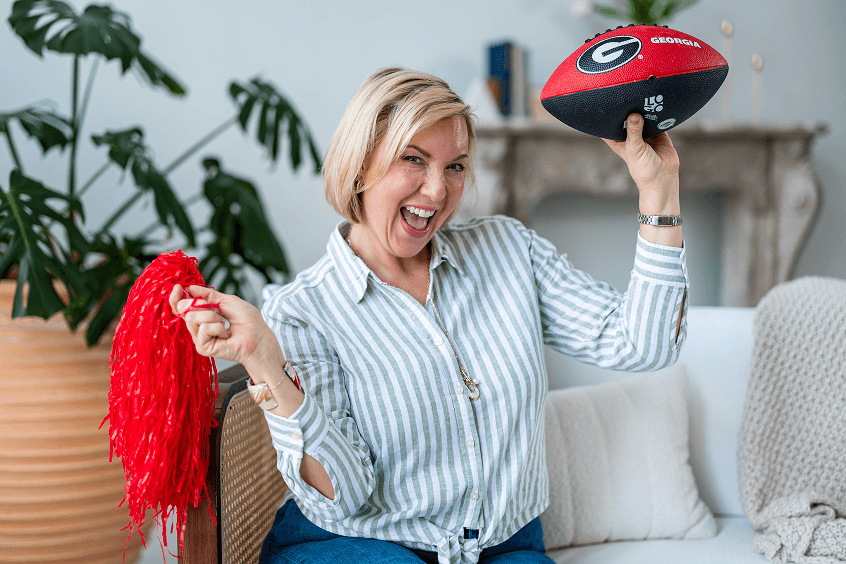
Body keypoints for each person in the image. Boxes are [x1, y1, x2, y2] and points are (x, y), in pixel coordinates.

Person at [170, 67, 688, 564]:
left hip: (505, 545)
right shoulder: (304, 311)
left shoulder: (510, 251)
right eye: (413, 160)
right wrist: (267, 363)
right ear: (360, 165)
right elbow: (343, 494)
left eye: (455, 166)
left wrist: (658, 189)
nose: (438, 190)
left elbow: (645, 344)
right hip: (359, 544)